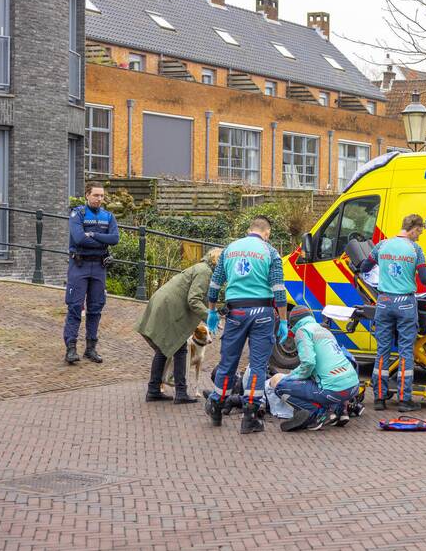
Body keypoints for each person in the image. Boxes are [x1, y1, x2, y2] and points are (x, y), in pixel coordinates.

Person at [205, 216, 288, 434]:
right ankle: (250, 416)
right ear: (267, 233)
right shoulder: (270, 252)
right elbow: (278, 290)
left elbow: (215, 284)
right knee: (258, 366)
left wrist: (212, 310)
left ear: (249, 230)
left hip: (236, 312)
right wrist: (284, 320)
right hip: (263, 313)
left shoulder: (230, 249)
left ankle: (216, 405)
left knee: (227, 363)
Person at [359, 213, 426, 412]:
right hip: (405, 303)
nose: (419, 236)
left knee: (382, 351)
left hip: (384, 302)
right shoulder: (415, 249)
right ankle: (405, 400)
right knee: (406, 352)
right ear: (413, 229)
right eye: (419, 231)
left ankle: (379, 398)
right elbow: (424, 277)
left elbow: (364, 267)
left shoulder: (382, 246)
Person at [136, 247, 223, 404]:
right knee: (174, 348)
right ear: (218, 262)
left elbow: (198, 298)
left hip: (165, 304)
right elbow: (194, 299)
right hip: (170, 308)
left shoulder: (202, 268)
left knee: (166, 348)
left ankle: (154, 390)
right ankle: (179, 392)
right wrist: (209, 317)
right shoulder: (205, 272)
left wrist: (213, 313)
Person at [268, 306, 362, 431]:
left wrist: (292, 377)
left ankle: (318, 413)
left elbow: (308, 363)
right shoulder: (324, 330)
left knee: (280, 387)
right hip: (353, 387)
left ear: (293, 324)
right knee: (325, 378)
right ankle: (339, 411)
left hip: (333, 390)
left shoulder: (302, 331)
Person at [64, 182, 120, 365]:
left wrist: (93, 236)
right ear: (87, 195)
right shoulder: (77, 214)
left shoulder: (108, 216)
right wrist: (102, 241)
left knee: (96, 308)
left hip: (99, 267)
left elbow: (115, 239)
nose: (99, 199)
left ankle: (91, 348)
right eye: (96, 195)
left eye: (102, 196)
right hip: (79, 266)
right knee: (74, 307)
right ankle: (71, 348)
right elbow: (79, 238)